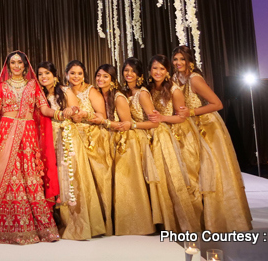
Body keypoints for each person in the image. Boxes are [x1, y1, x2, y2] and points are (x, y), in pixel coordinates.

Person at [172, 45, 252, 232]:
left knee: (213, 171)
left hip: (207, 127)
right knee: (195, 173)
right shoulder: (176, 78)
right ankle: (200, 218)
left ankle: (221, 219)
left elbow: (217, 104)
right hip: (189, 128)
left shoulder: (195, 79)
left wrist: (192, 111)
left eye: (182, 59)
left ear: (190, 61)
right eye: (175, 59)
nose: (178, 63)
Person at [0, 51, 60, 244]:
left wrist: (61, 114)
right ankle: (7, 227)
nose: (16, 65)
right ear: (8, 65)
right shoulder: (1, 87)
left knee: (28, 174)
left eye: (20, 62)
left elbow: (43, 109)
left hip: (27, 134)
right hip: (7, 132)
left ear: (25, 65)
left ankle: (36, 227)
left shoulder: (33, 86)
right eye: (13, 62)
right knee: (9, 176)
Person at [38, 61, 106, 240]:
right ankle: (60, 222)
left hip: (68, 138)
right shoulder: (40, 94)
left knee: (71, 176)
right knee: (56, 178)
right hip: (49, 140)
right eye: (40, 74)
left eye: (47, 73)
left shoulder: (65, 91)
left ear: (55, 75)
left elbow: (76, 115)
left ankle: (78, 224)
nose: (44, 77)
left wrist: (72, 112)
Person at [147, 55, 203, 232]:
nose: (158, 72)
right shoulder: (148, 89)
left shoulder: (174, 90)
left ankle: (187, 222)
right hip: (158, 135)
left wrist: (162, 118)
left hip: (178, 135)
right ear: (149, 70)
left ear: (167, 71)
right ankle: (164, 219)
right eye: (155, 68)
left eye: (162, 69)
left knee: (182, 179)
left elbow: (181, 117)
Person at [111, 58, 164, 235]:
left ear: (139, 74)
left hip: (144, 137)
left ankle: (147, 221)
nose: (129, 74)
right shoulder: (124, 93)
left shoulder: (142, 93)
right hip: (131, 135)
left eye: (133, 71)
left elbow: (154, 123)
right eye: (126, 70)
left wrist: (132, 125)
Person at [67, 60, 113, 235]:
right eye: (72, 73)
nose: (76, 77)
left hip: (92, 137)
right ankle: (82, 220)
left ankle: (101, 222)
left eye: (79, 73)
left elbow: (102, 115)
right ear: (66, 75)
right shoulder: (64, 90)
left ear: (84, 74)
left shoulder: (91, 91)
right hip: (72, 139)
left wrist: (87, 115)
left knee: (97, 179)